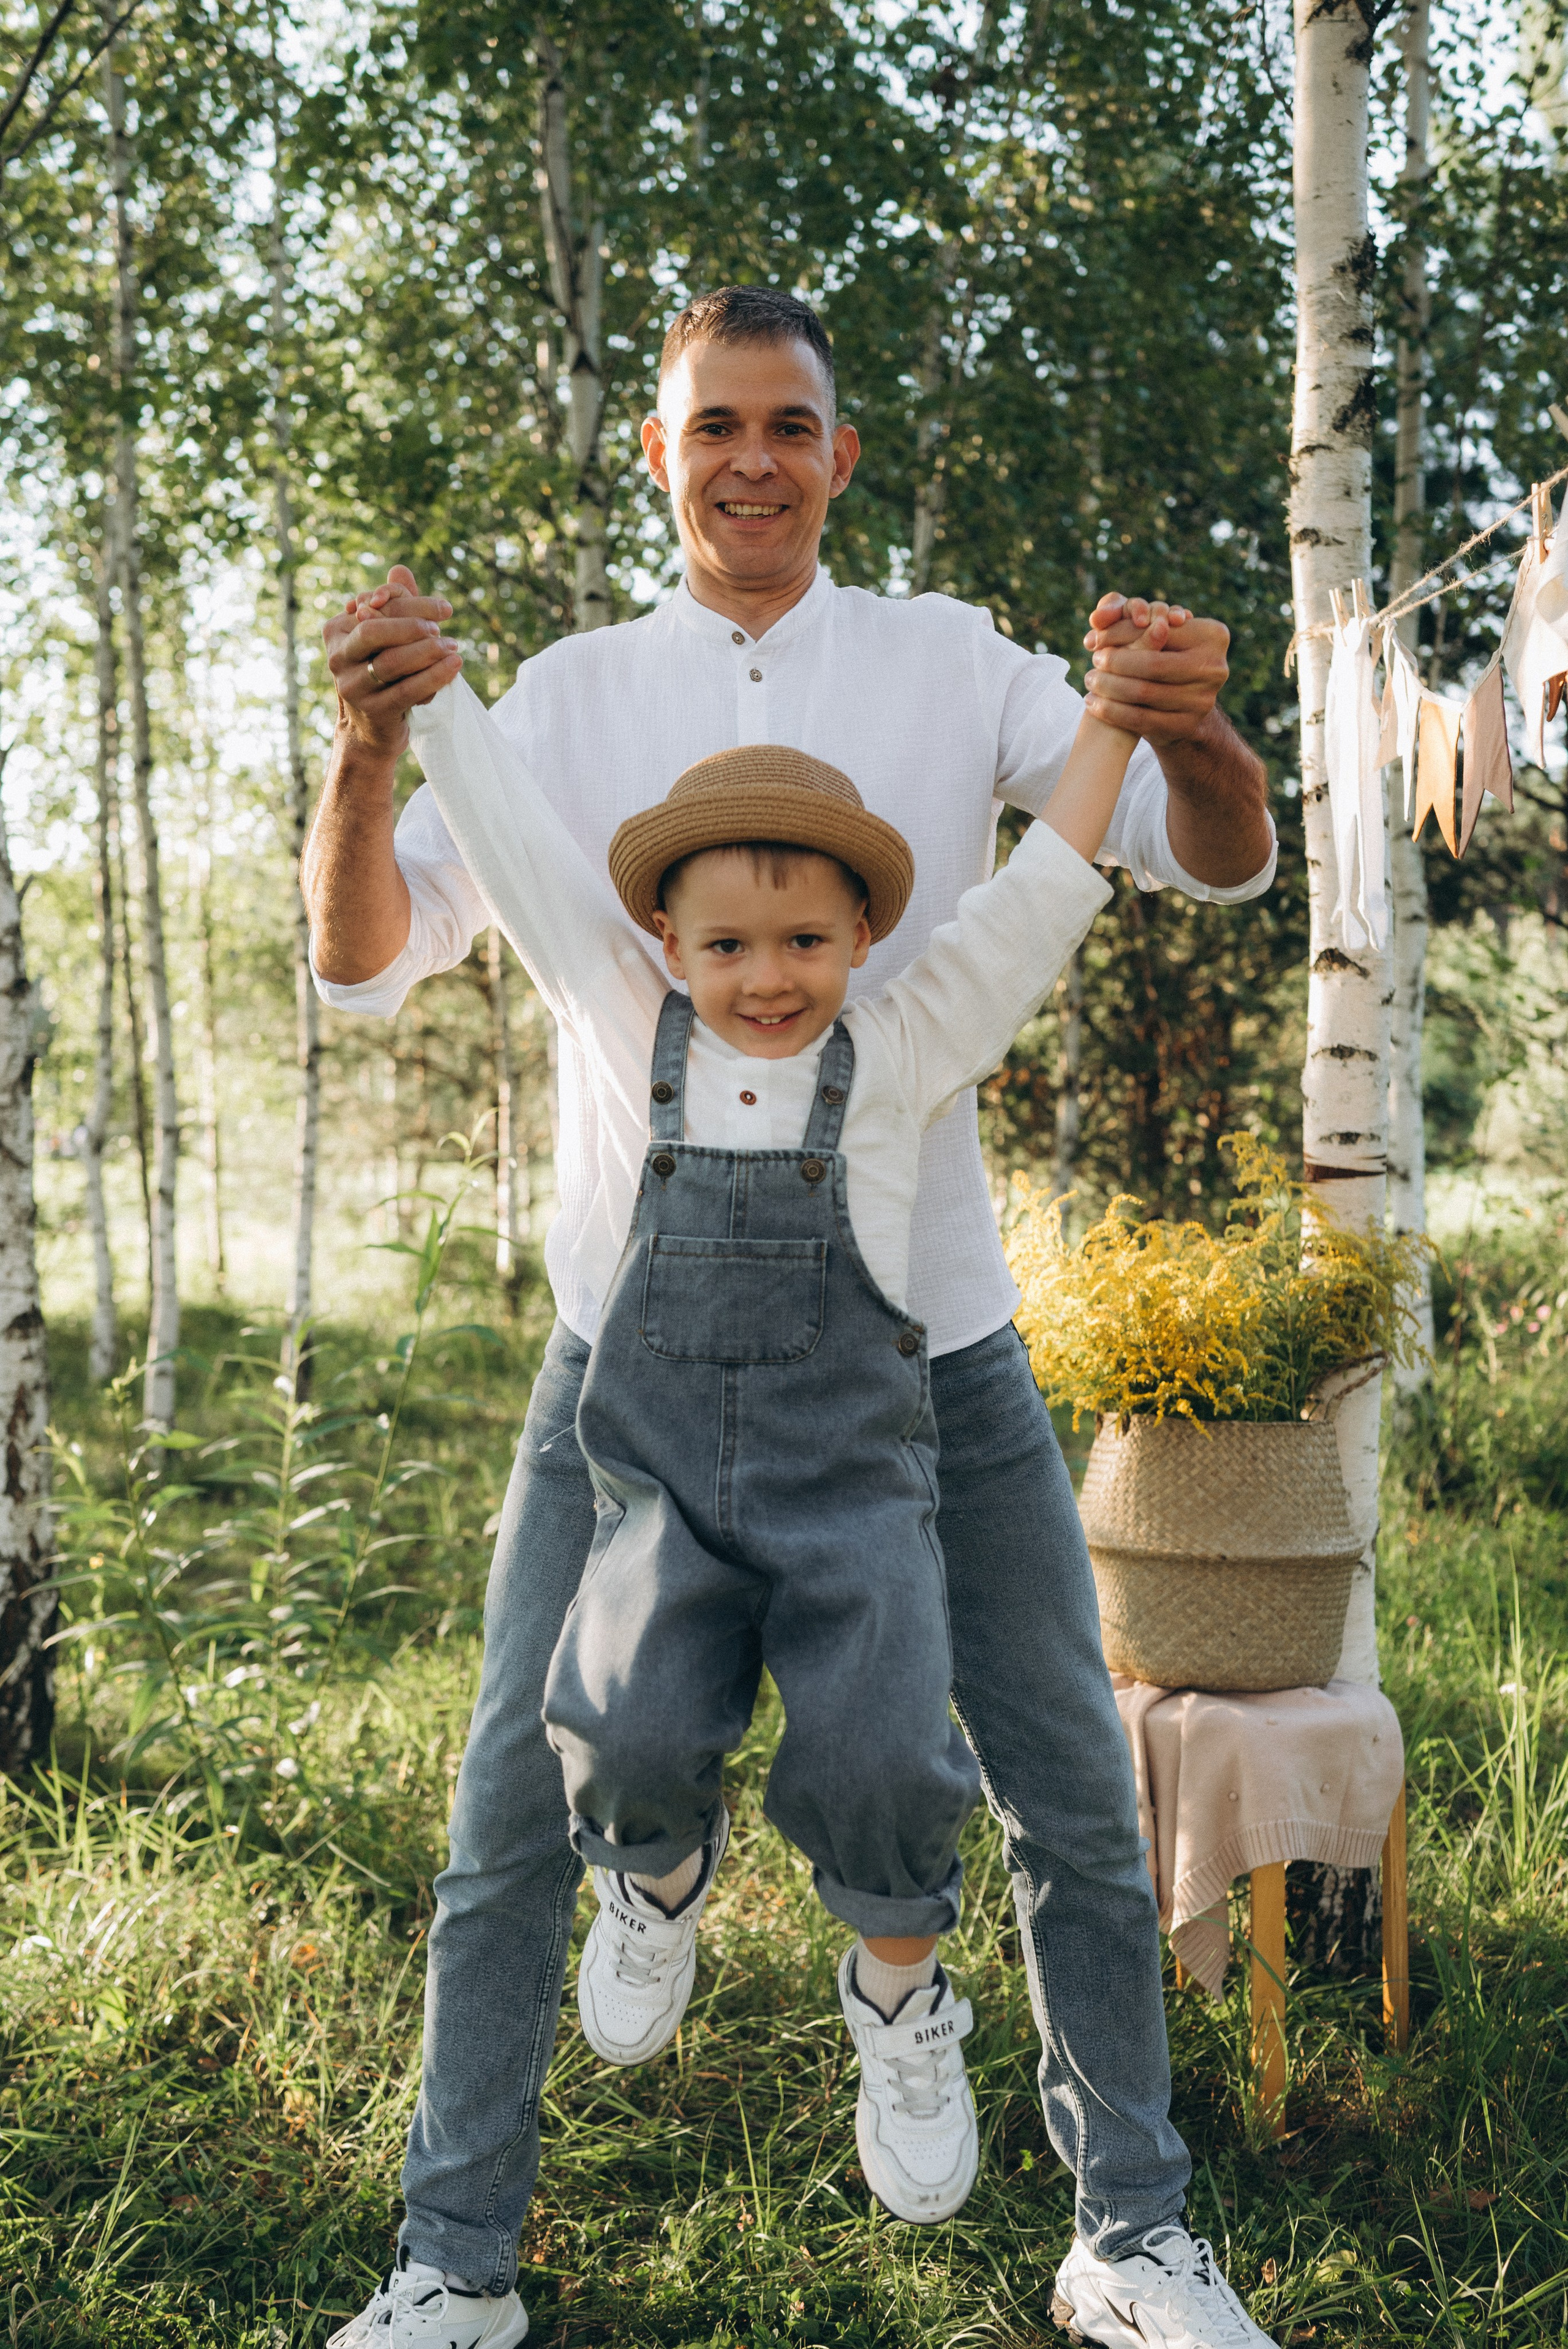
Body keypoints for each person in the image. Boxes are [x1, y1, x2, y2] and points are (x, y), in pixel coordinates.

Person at [309, 286, 1280, 2349]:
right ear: (658, 453)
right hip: (623, 1378)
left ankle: (1136, 2232)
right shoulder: (562, 701)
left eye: (792, 423)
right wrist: (378, 739)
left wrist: (1179, 714)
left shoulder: (950, 661)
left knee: (1066, 1799)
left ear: (841, 455)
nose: (752, 454)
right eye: (714, 422)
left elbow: (1187, 861)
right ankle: (451, 2266)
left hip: (936, 1360)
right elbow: (367, 957)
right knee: (514, 1810)